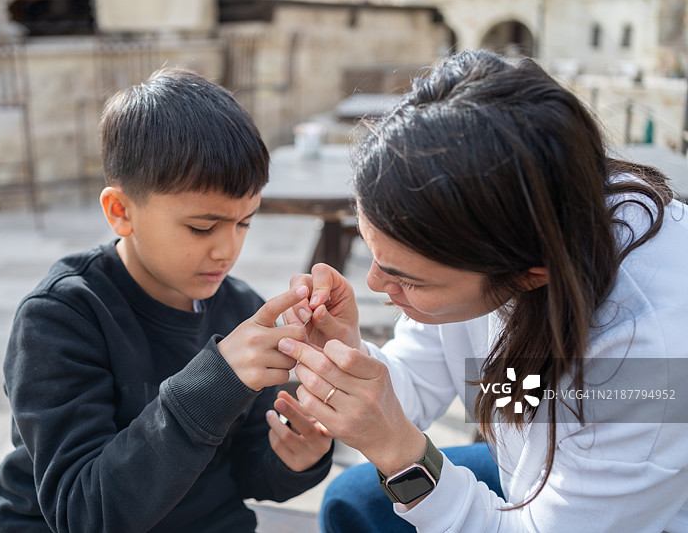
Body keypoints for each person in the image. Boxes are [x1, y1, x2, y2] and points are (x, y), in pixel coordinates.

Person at [279, 50, 688, 532]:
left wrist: (400, 455)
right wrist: (345, 355)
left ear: (529, 274)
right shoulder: (497, 212)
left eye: (408, 278)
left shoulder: (653, 361)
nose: (374, 285)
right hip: (535, 460)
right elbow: (417, 379)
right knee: (355, 501)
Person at [0, 69, 333, 533]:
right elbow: (84, 513)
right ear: (121, 212)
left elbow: (245, 470)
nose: (227, 250)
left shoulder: (239, 308)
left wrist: (296, 457)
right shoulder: (60, 319)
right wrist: (216, 383)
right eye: (201, 227)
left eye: (244, 223)